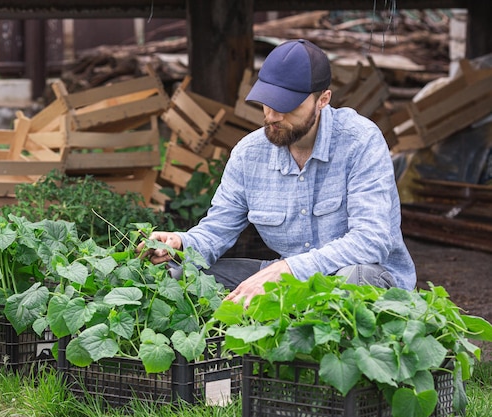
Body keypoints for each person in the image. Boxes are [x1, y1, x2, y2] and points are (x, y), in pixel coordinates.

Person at [139, 39, 416, 305]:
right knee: (182, 275)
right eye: (267, 101)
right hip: (288, 279)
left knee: (351, 280)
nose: (272, 116)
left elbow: (372, 241)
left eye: (287, 104)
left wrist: (288, 269)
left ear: (323, 100)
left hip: (364, 277)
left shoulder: (360, 141)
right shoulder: (249, 154)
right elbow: (216, 232)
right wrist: (181, 243)